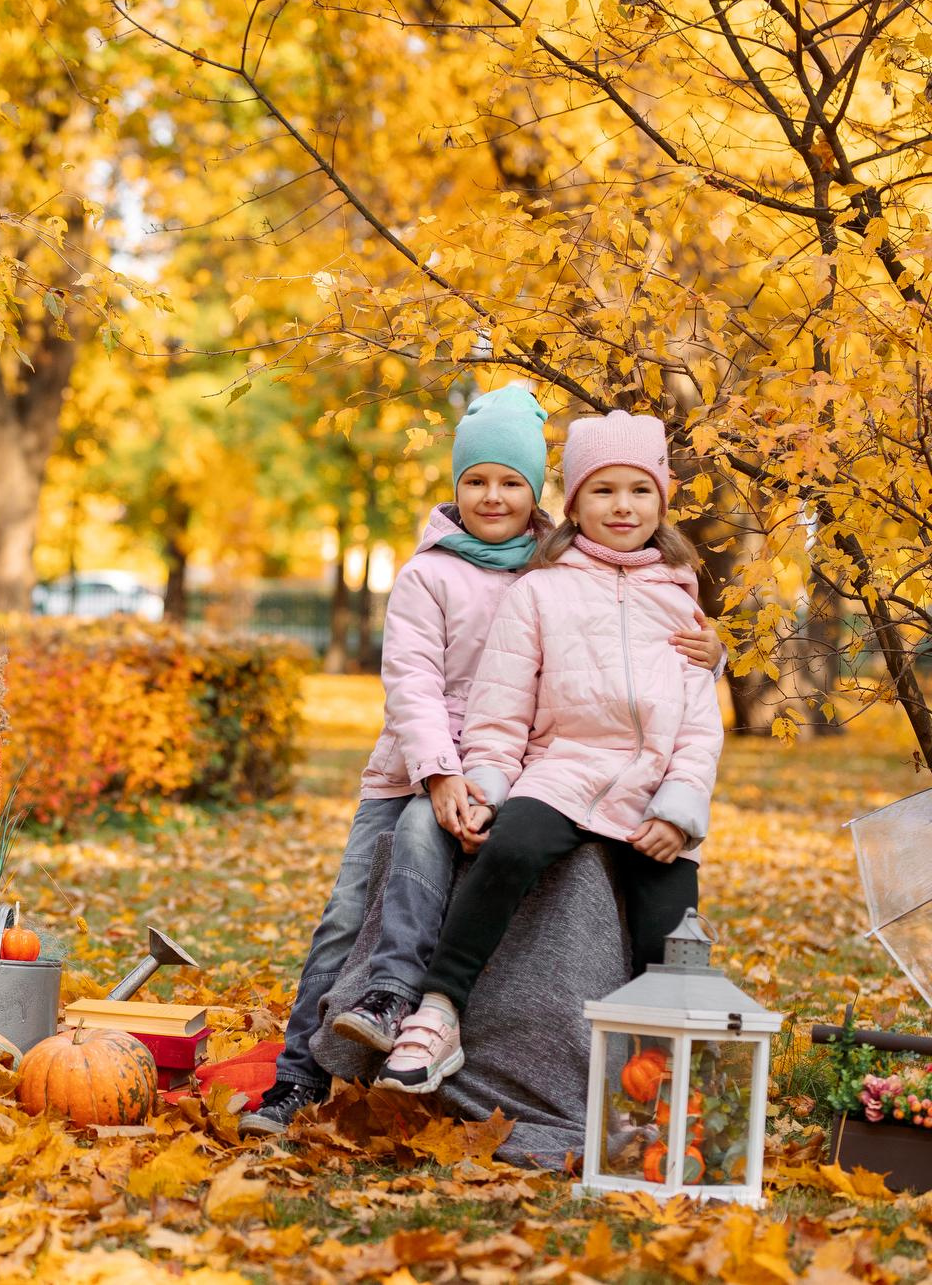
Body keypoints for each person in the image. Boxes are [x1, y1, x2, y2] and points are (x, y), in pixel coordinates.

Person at [241, 389, 721, 1138]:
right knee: (352, 912)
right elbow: (413, 683)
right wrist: (441, 774)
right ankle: (322, 1056)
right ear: (456, 485)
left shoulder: (564, 566)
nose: (493, 496)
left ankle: (655, 1094)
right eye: (477, 480)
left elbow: (663, 674)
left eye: (511, 482)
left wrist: (714, 659)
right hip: (424, 769)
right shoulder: (432, 574)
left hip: (529, 767)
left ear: (539, 496)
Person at [375, 409, 723, 1095]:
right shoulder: (540, 589)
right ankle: (439, 1011)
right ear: (572, 501)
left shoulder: (683, 604)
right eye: (602, 490)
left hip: (652, 786)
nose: (622, 506)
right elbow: (501, 712)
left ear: (662, 497)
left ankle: (662, 1079)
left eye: (638, 490)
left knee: (671, 928)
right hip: (561, 771)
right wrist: (487, 784)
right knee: (507, 849)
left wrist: (679, 809)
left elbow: (699, 725)